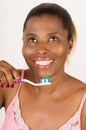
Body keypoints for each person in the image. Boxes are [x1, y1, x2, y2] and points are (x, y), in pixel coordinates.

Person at [0, 2, 86, 130]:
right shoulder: (9, 84)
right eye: (32, 40)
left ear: (69, 45)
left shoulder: (83, 101)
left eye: (53, 39)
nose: (41, 50)